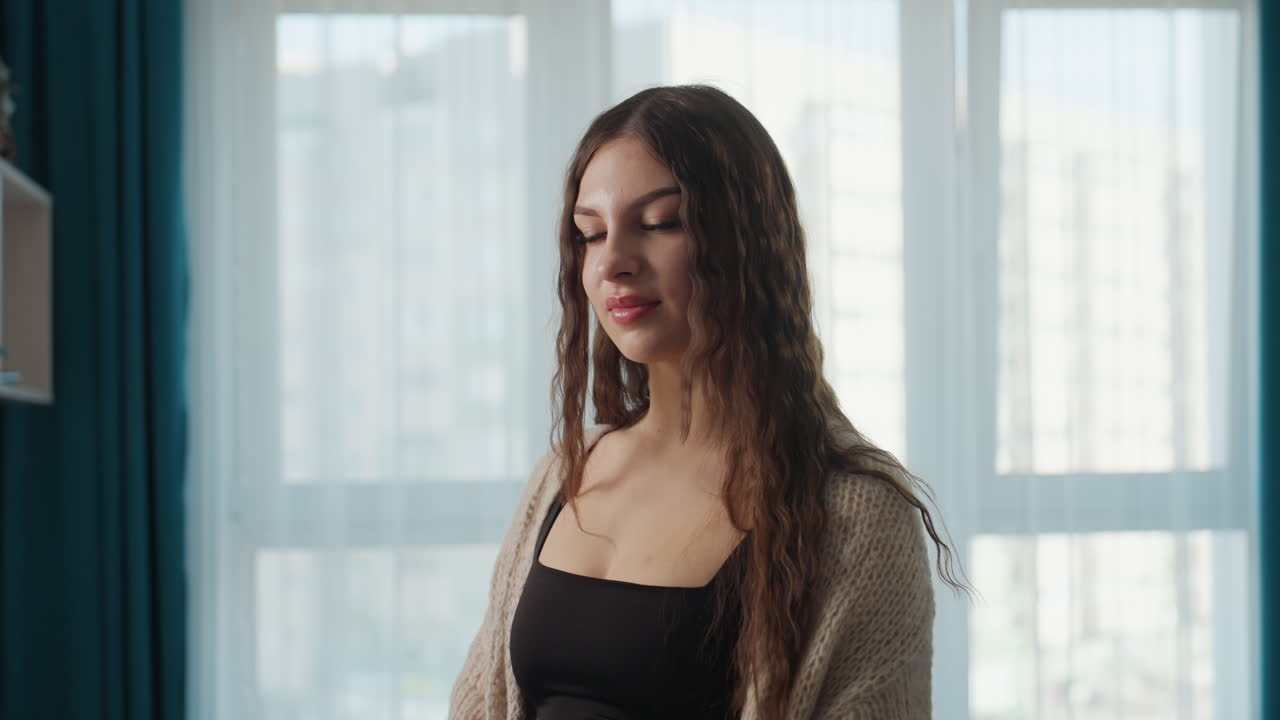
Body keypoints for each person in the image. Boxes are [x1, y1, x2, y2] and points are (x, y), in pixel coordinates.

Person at [449, 84, 972, 720]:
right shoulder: (564, 473)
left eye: (659, 223)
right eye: (591, 233)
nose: (613, 262)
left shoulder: (853, 514)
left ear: (749, 243)